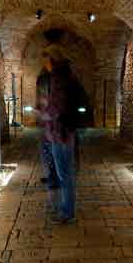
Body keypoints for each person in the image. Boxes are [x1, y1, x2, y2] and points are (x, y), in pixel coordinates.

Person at [41, 45, 84, 224]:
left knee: (64, 174)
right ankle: (67, 210)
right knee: (66, 173)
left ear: (51, 60)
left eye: (45, 60)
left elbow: (56, 108)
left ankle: (67, 213)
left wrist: (44, 111)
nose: (44, 64)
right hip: (67, 132)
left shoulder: (58, 79)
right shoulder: (68, 76)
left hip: (60, 133)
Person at [35, 66, 58, 189]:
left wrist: (45, 112)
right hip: (46, 126)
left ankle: (54, 177)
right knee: (46, 151)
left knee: (51, 151)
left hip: (52, 126)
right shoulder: (44, 79)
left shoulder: (55, 83)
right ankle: (51, 175)